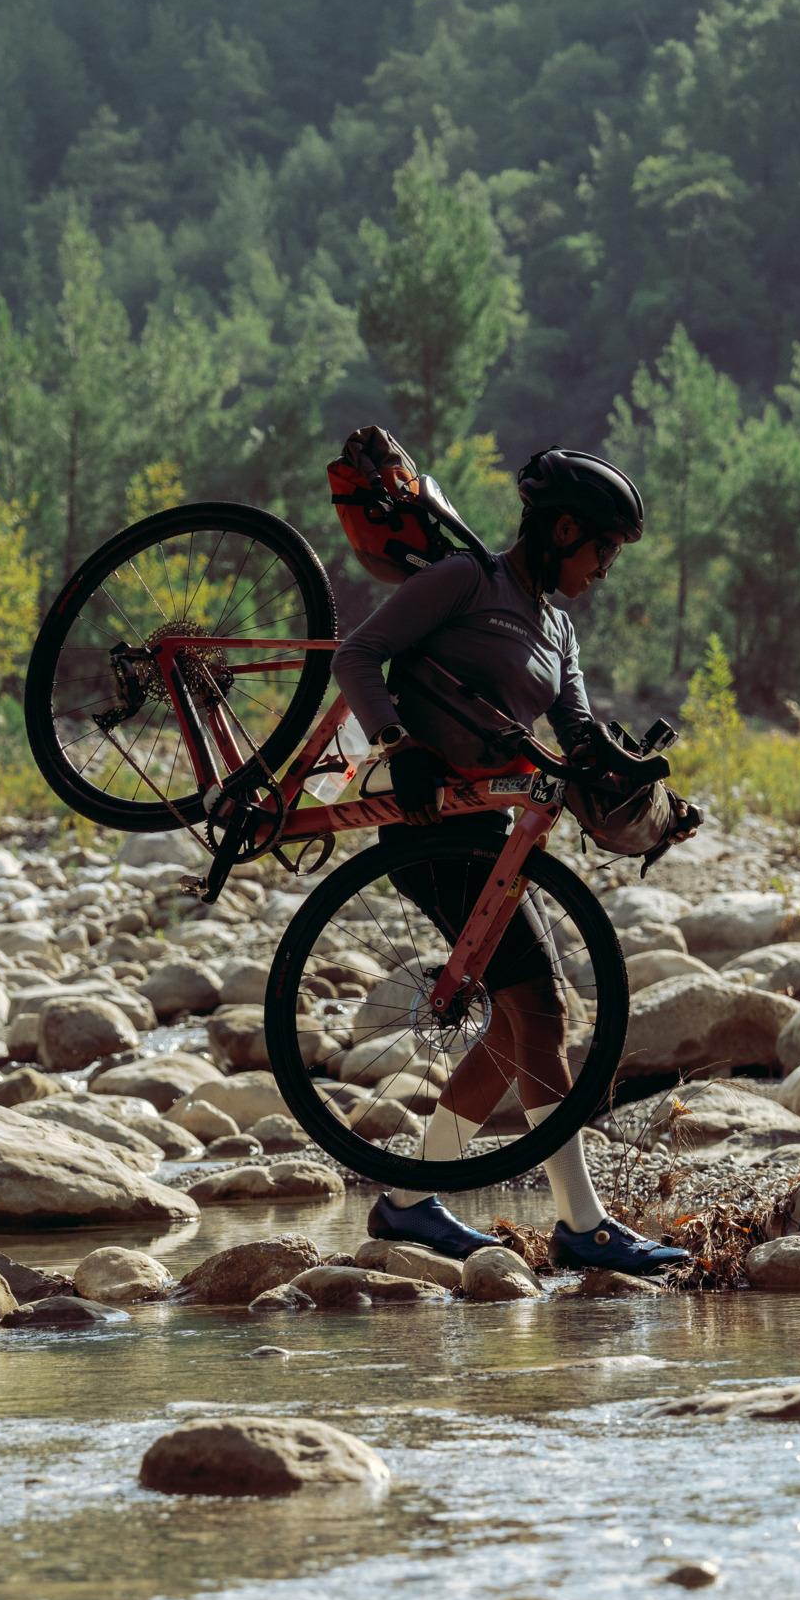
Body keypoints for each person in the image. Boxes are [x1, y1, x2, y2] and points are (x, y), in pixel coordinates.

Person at [329, 446, 691, 1277]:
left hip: (496, 844)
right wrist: (396, 740)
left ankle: (412, 1202)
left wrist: (656, 807)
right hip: (429, 831)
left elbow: (578, 744)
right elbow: (358, 655)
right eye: (603, 549)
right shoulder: (465, 582)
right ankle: (581, 1224)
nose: (605, 570)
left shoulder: (559, 629)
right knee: (547, 1013)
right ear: (564, 529)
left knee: (524, 1020)